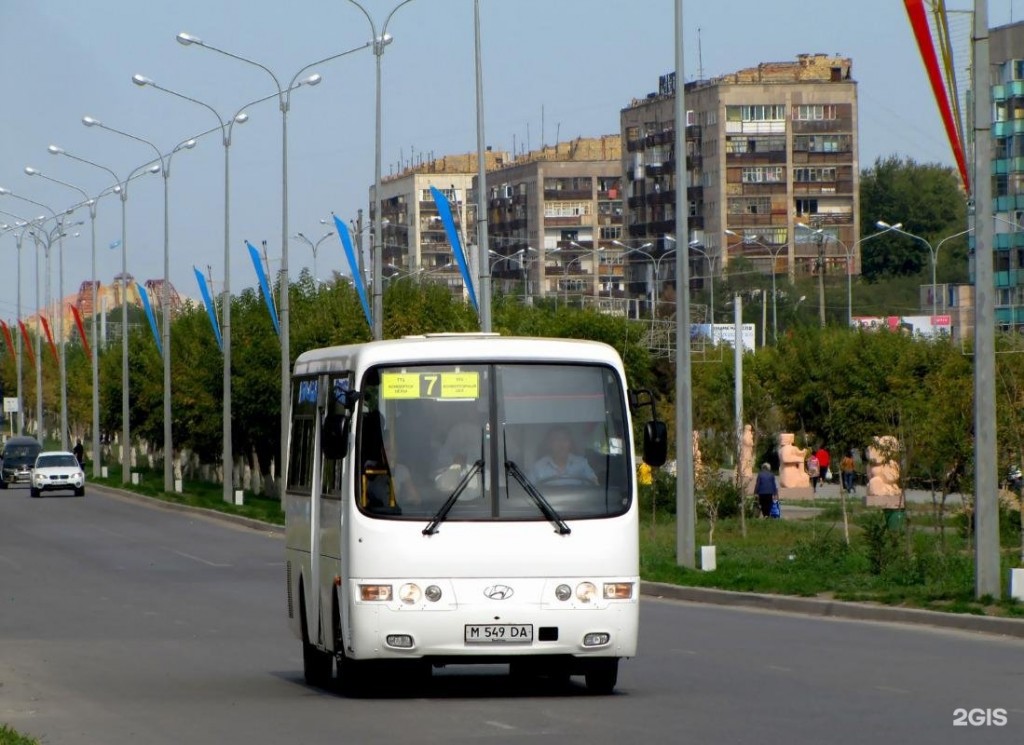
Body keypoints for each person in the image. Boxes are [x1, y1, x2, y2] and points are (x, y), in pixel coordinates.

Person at [529, 426, 598, 486]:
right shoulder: (538, 467)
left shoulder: (581, 463)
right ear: (550, 444)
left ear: (570, 443)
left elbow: (595, 486)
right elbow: (528, 492)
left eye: (565, 439)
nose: (561, 444)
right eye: (556, 439)